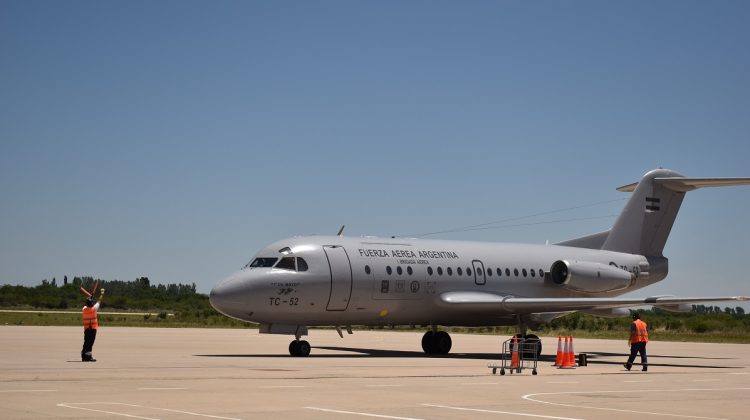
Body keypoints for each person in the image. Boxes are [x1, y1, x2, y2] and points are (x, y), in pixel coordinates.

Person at [81, 288, 105, 362]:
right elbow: (99, 301)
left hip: (86, 329)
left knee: (86, 342)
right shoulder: (94, 309)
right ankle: (88, 357)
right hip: (93, 329)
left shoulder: (84, 309)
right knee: (90, 343)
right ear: (91, 303)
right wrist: (102, 294)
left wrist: (89, 298)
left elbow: (85, 305)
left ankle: (83, 356)